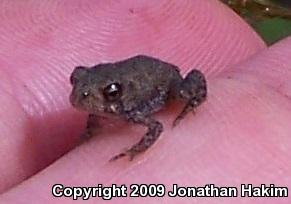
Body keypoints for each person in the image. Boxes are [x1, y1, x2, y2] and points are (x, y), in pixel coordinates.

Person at [0, 1, 290, 203]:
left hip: (165, 82)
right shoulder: (102, 102)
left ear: (118, 94)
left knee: (185, 94)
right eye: (76, 82)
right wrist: (90, 130)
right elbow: (94, 107)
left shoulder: (134, 109)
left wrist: (134, 150)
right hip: (134, 73)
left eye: (110, 94)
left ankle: (188, 101)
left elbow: (155, 129)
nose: (83, 97)